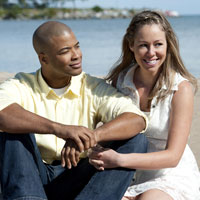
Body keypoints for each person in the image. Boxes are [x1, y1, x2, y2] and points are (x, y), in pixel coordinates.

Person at [0, 21, 149, 200]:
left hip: (76, 176)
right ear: (43, 59)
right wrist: (61, 129)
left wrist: (89, 137)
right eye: (65, 51)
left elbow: (136, 119)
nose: (76, 55)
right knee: (12, 129)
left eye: (77, 47)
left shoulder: (92, 87)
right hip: (31, 176)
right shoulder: (21, 84)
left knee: (136, 140)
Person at [88, 10, 200, 200]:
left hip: (169, 175)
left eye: (158, 44)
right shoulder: (120, 81)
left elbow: (173, 157)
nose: (151, 53)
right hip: (125, 174)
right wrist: (95, 151)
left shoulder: (181, 89)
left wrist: (119, 159)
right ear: (131, 45)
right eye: (143, 45)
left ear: (168, 45)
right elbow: (112, 132)